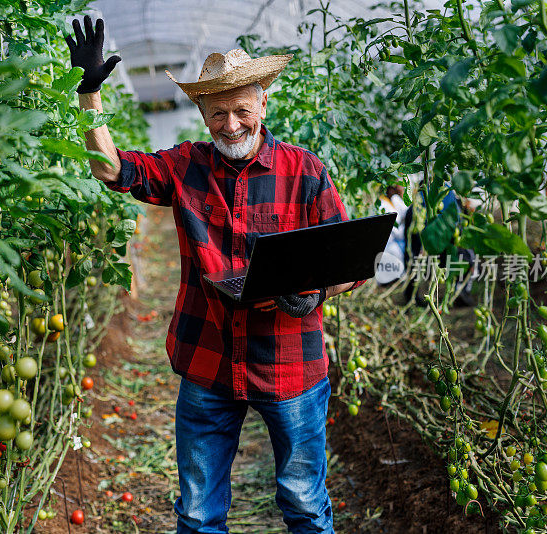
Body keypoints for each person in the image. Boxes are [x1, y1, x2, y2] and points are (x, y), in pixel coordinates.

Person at [65, 16, 361, 533]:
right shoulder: (185, 166)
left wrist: (311, 292)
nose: (231, 125)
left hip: (289, 364)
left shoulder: (305, 171)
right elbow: (112, 170)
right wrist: (89, 93)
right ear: (200, 112)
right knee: (199, 511)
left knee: (305, 501)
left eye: (241, 110)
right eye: (218, 113)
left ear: (263, 105)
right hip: (209, 362)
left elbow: (347, 265)